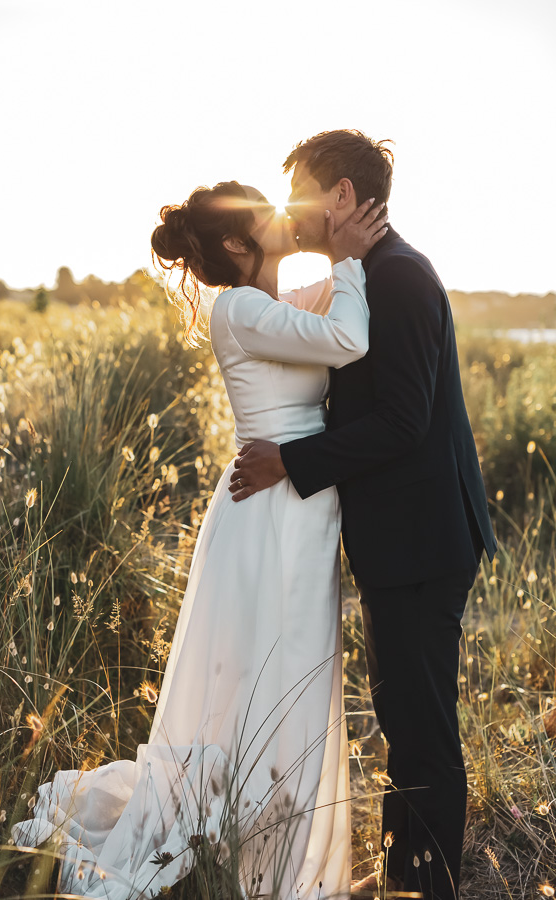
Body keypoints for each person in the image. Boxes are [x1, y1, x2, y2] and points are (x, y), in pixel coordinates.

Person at [11, 178, 388, 900]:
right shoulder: (240, 307)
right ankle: (262, 862)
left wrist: (348, 260)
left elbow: (327, 321)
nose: (283, 217)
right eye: (261, 215)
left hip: (293, 509)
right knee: (271, 679)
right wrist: (349, 256)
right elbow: (349, 336)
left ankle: (272, 852)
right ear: (241, 244)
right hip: (270, 513)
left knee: (289, 680)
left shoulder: (269, 305)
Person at [230, 130, 498, 900]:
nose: (290, 211)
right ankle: (405, 876)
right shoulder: (369, 274)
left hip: (423, 544)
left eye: (298, 193)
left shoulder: (402, 278)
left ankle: (431, 886)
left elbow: (406, 421)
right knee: (403, 721)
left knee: (422, 732)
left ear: (341, 196)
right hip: (399, 544)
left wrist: (292, 461)